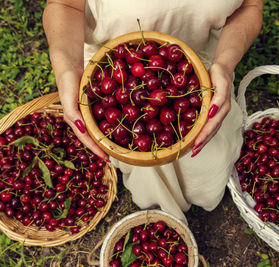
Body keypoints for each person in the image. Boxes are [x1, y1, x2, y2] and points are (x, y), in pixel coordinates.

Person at [43, 0, 263, 224]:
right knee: (140, 154)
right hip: (112, 64)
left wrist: (224, 65)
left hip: (195, 73)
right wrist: (67, 70)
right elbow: (64, 4)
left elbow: (250, 7)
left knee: (208, 165)